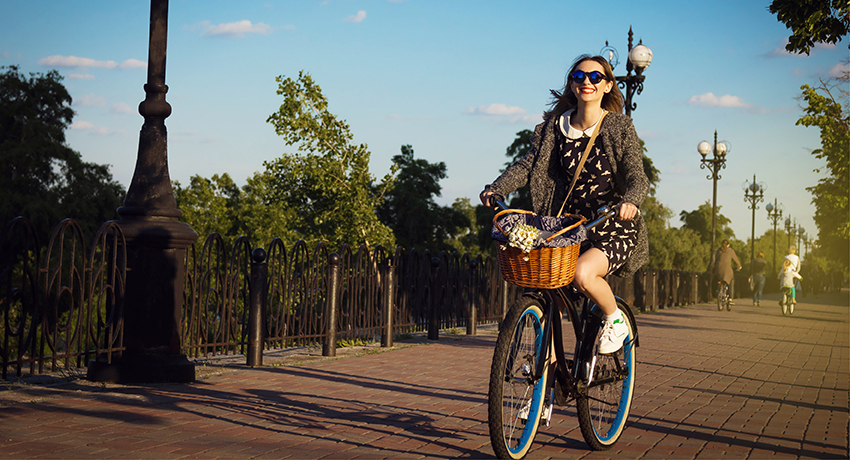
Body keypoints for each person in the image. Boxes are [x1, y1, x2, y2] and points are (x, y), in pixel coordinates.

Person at [479, 54, 649, 354]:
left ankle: (615, 319)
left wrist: (631, 201)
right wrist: (496, 188)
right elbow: (527, 166)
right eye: (579, 76)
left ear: (608, 85)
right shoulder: (552, 130)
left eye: (595, 77)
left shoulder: (619, 128)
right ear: (571, 84)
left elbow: (637, 175)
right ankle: (547, 387)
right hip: (568, 229)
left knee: (583, 274)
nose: (587, 82)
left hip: (611, 224)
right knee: (546, 292)